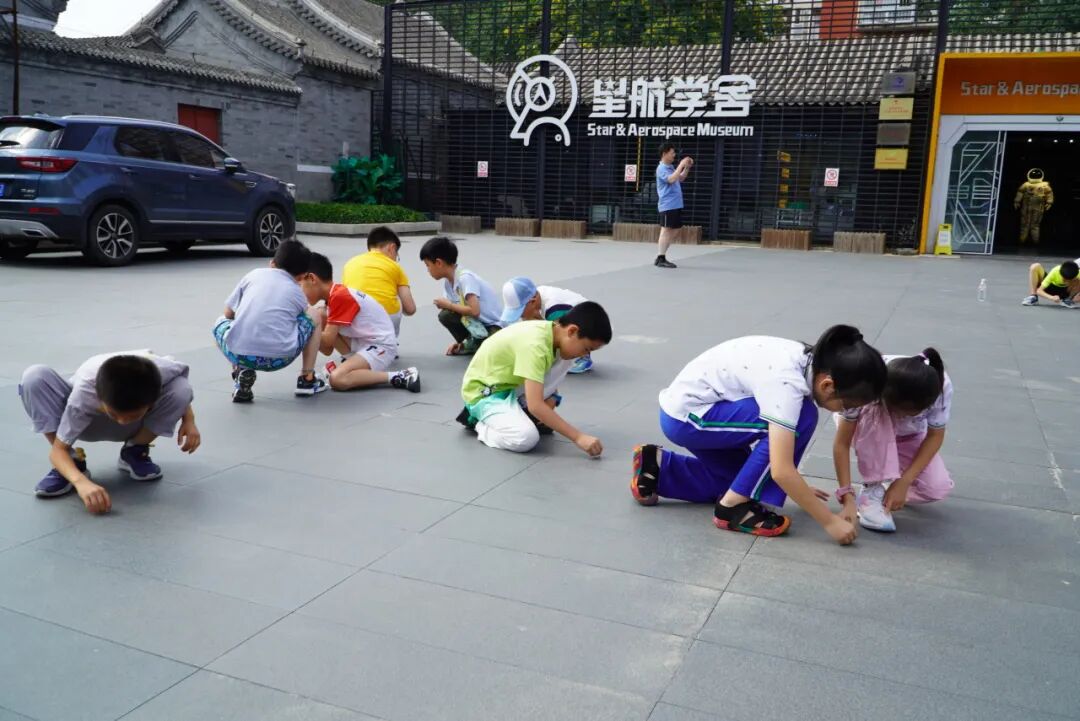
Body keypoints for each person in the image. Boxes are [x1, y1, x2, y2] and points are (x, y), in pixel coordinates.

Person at [632, 325, 887, 546]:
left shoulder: (806, 359)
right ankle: (732, 509)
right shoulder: (787, 384)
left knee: (740, 484)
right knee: (803, 416)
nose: (845, 411)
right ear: (827, 385)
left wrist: (797, 487)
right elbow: (781, 470)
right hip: (688, 418)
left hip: (699, 409)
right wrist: (829, 521)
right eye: (847, 405)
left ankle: (658, 468)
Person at [18, 351, 200, 514]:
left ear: (152, 402)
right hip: (85, 422)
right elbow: (58, 451)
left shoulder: (163, 369)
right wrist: (81, 483)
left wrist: (189, 420)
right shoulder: (85, 395)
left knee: (181, 389)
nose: (121, 421)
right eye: (115, 414)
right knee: (34, 376)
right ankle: (72, 464)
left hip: (137, 428)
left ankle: (134, 450)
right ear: (99, 397)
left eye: (131, 415)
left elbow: (180, 386)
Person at [457, 301, 612, 455]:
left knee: (568, 357)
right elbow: (536, 406)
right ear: (572, 330)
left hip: (511, 383)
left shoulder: (553, 332)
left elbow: (549, 373)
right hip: (486, 392)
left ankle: (517, 411)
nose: (585, 355)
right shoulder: (535, 346)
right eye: (586, 348)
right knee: (525, 438)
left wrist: (552, 396)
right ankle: (479, 423)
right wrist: (578, 437)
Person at [832, 349, 953, 532]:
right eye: (898, 412)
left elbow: (935, 436)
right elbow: (842, 443)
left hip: (910, 434)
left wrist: (904, 481)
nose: (901, 417)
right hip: (866, 424)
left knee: (936, 488)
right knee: (876, 415)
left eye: (909, 414)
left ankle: (886, 486)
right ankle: (871, 489)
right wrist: (846, 493)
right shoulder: (865, 381)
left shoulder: (939, 386)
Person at [213, 240, 328, 402]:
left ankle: (240, 371)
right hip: (280, 358)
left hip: (240, 354)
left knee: (220, 321)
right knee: (314, 315)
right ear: (302, 276)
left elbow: (228, 313)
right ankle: (307, 378)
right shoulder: (297, 293)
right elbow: (302, 317)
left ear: (272, 263)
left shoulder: (253, 275)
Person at [301, 252, 420, 393]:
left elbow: (326, 342)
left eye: (299, 284)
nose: (298, 291)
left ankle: (400, 375)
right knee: (320, 315)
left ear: (312, 279)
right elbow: (327, 349)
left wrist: (302, 325)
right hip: (364, 342)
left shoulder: (339, 297)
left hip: (381, 346)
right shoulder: (335, 294)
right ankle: (352, 364)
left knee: (337, 379)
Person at [419, 235, 503, 355]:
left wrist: (449, 305)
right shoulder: (448, 283)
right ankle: (472, 341)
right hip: (477, 325)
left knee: (493, 348)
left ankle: (480, 343)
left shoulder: (465, 278)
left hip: (493, 326)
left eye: (428, 265)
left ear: (438, 263)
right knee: (446, 315)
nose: (428, 270)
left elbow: (474, 311)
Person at [499, 276, 594, 374]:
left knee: (555, 338)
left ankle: (583, 356)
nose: (520, 316)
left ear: (533, 301)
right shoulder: (535, 295)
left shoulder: (553, 308)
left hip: (591, 322)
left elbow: (556, 337)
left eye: (521, 311)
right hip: (568, 316)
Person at [342, 226, 416, 336]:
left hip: (355, 319)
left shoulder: (350, 263)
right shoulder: (395, 266)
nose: (396, 258)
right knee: (397, 295)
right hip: (386, 320)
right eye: (396, 254)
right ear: (392, 248)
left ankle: (353, 345)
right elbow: (410, 309)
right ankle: (390, 340)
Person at [655, 140, 692, 269]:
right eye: (672, 153)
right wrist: (681, 165)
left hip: (675, 204)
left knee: (675, 229)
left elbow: (680, 178)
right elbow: (671, 179)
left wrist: (686, 167)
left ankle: (661, 255)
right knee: (666, 230)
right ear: (664, 154)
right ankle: (661, 257)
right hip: (667, 205)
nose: (674, 155)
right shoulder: (661, 168)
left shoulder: (670, 167)